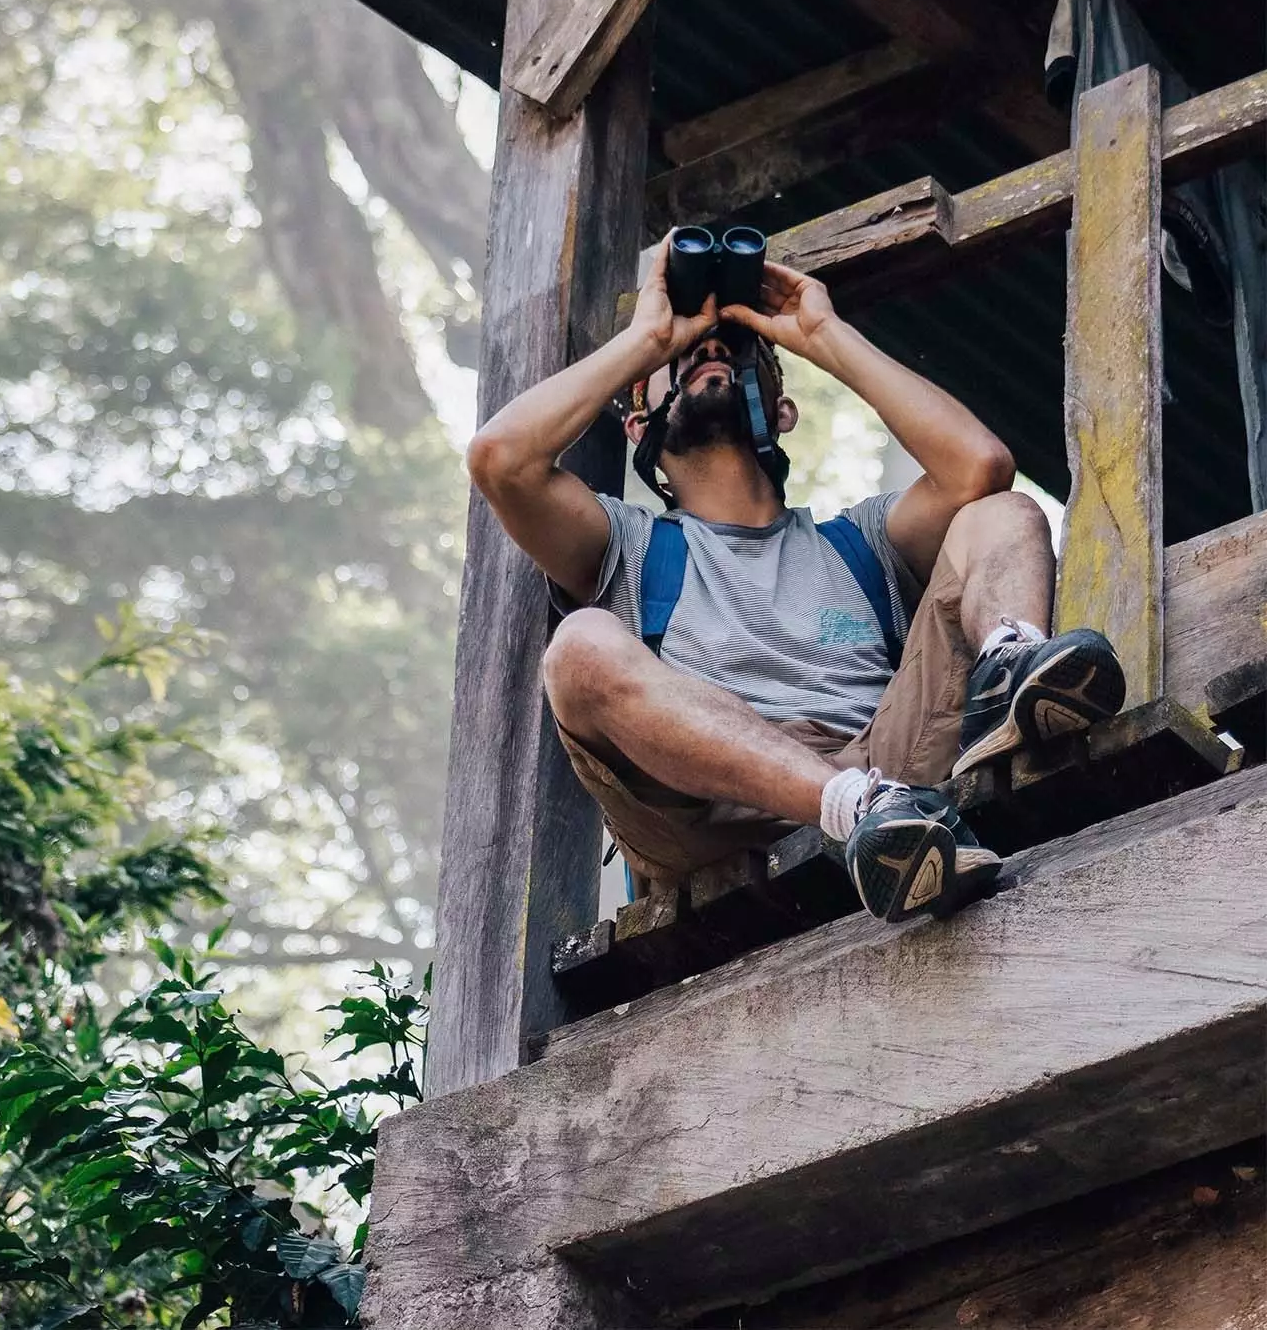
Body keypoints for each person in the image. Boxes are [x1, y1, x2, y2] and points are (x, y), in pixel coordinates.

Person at [466, 236, 1124, 924]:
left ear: (782, 410)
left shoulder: (860, 542)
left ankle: (1008, 671)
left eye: (735, 343)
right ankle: (850, 806)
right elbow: (498, 459)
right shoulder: (631, 547)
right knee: (578, 649)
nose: (709, 347)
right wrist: (650, 336)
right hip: (706, 805)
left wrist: (823, 333)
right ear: (637, 424)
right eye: (679, 358)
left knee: (1003, 510)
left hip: (891, 768)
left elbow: (979, 465)